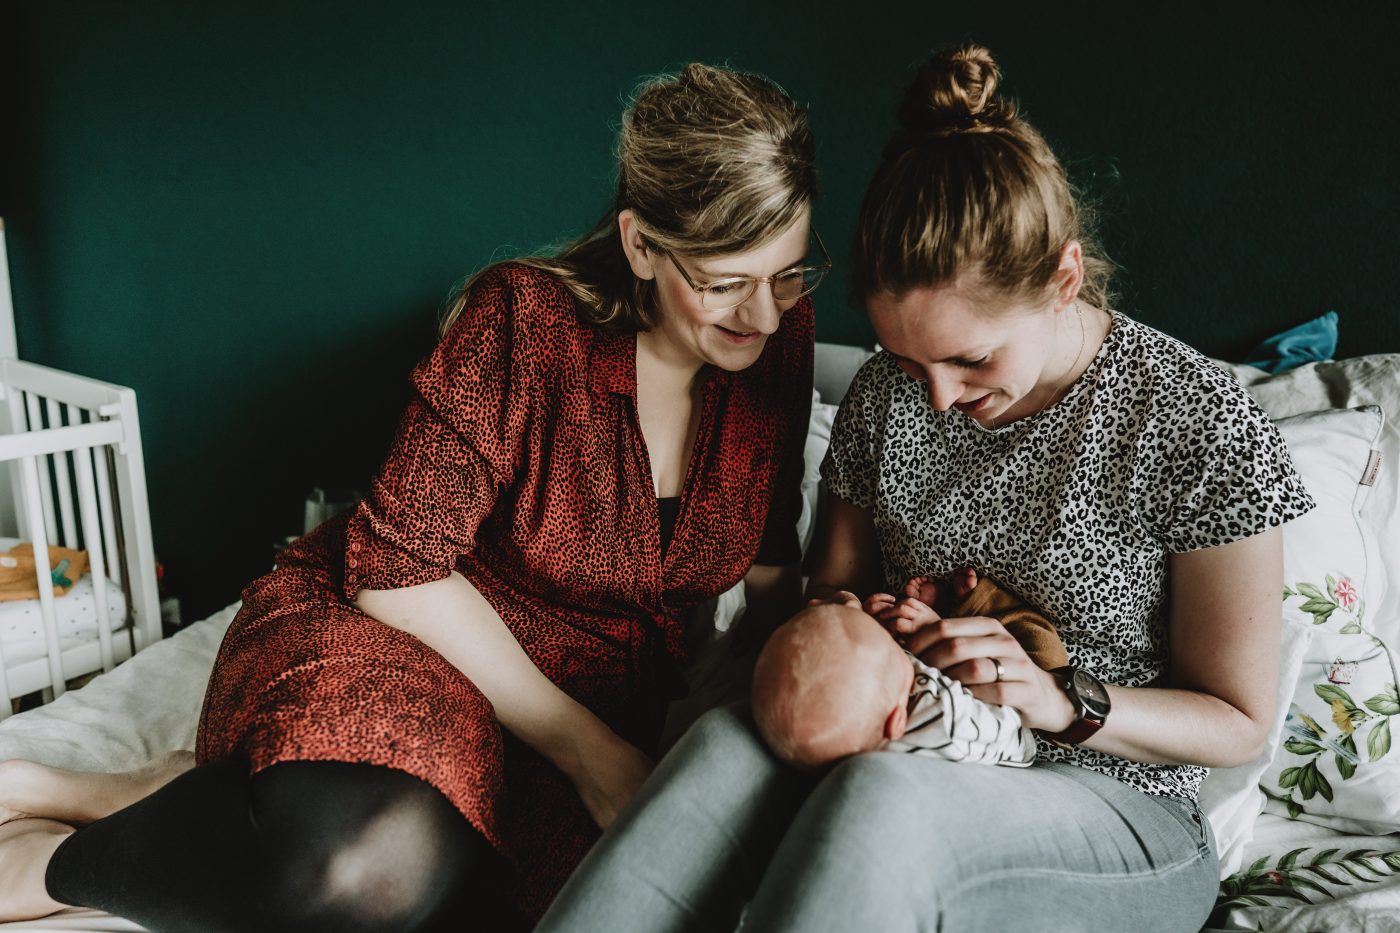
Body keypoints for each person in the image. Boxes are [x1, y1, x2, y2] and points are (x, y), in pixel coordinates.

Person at [0, 62, 826, 930]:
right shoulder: (524, 322)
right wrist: (587, 750)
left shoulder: (780, 340)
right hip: (415, 631)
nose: (763, 316)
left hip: (594, 698)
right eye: (725, 281)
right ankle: (43, 868)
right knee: (363, 869)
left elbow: (772, 562)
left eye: (788, 276)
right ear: (642, 244)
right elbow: (392, 570)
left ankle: (169, 787)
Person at [535, 42, 1315, 933]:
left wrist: (1060, 698)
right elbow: (828, 594)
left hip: (1115, 800)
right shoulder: (884, 397)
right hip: (902, 728)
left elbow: (1239, 720)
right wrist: (871, 624)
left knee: (884, 799)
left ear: (1064, 279)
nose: (938, 397)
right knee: (724, 744)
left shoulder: (1193, 418)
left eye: (970, 358)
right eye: (907, 357)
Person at [752, 571, 1066, 768]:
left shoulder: (847, 736)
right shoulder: (948, 720)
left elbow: (859, 675)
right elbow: (1014, 712)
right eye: (896, 652)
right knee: (1041, 644)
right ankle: (971, 604)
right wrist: (937, 627)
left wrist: (855, 620)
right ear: (897, 720)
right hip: (1022, 714)